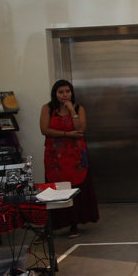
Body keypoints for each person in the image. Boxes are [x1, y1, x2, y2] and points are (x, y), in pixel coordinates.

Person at [40, 79, 99, 238]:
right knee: (57, 188)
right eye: (61, 92)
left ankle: (75, 224)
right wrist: (66, 134)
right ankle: (56, 223)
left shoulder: (79, 108)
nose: (64, 95)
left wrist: (72, 110)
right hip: (55, 158)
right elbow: (44, 129)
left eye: (67, 91)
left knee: (76, 187)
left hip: (75, 157)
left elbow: (80, 128)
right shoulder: (47, 108)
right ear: (55, 94)